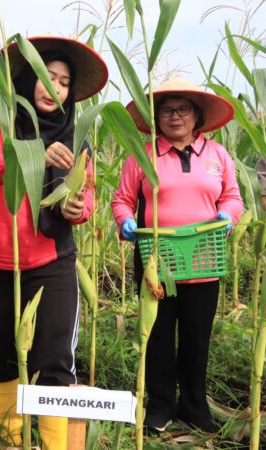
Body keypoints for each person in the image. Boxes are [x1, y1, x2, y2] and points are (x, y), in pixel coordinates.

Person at [0, 36, 107, 449]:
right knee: (0, 356)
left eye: (63, 82)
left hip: (51, 263)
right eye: (46, 76)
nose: (54, 87)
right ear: (26, 79)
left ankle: (55, 444)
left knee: (54, 359)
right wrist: (35, 153)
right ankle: (12, 438)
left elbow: (87, 196)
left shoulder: (76, 137)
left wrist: (77, 208)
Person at [112, 77, 243, 433]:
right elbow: (122, 199)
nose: (174, 116)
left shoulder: (217, 155)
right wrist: (125, 221)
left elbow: (232, 196)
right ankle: (160, 406)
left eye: (182, 109)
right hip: (156, 261)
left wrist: (227, 215)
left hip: (203, 258)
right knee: (157, 334)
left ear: (196, 115)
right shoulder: (142, 155)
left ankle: (194, 406)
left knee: (196, 337)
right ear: (157, 118)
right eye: (167, 110)